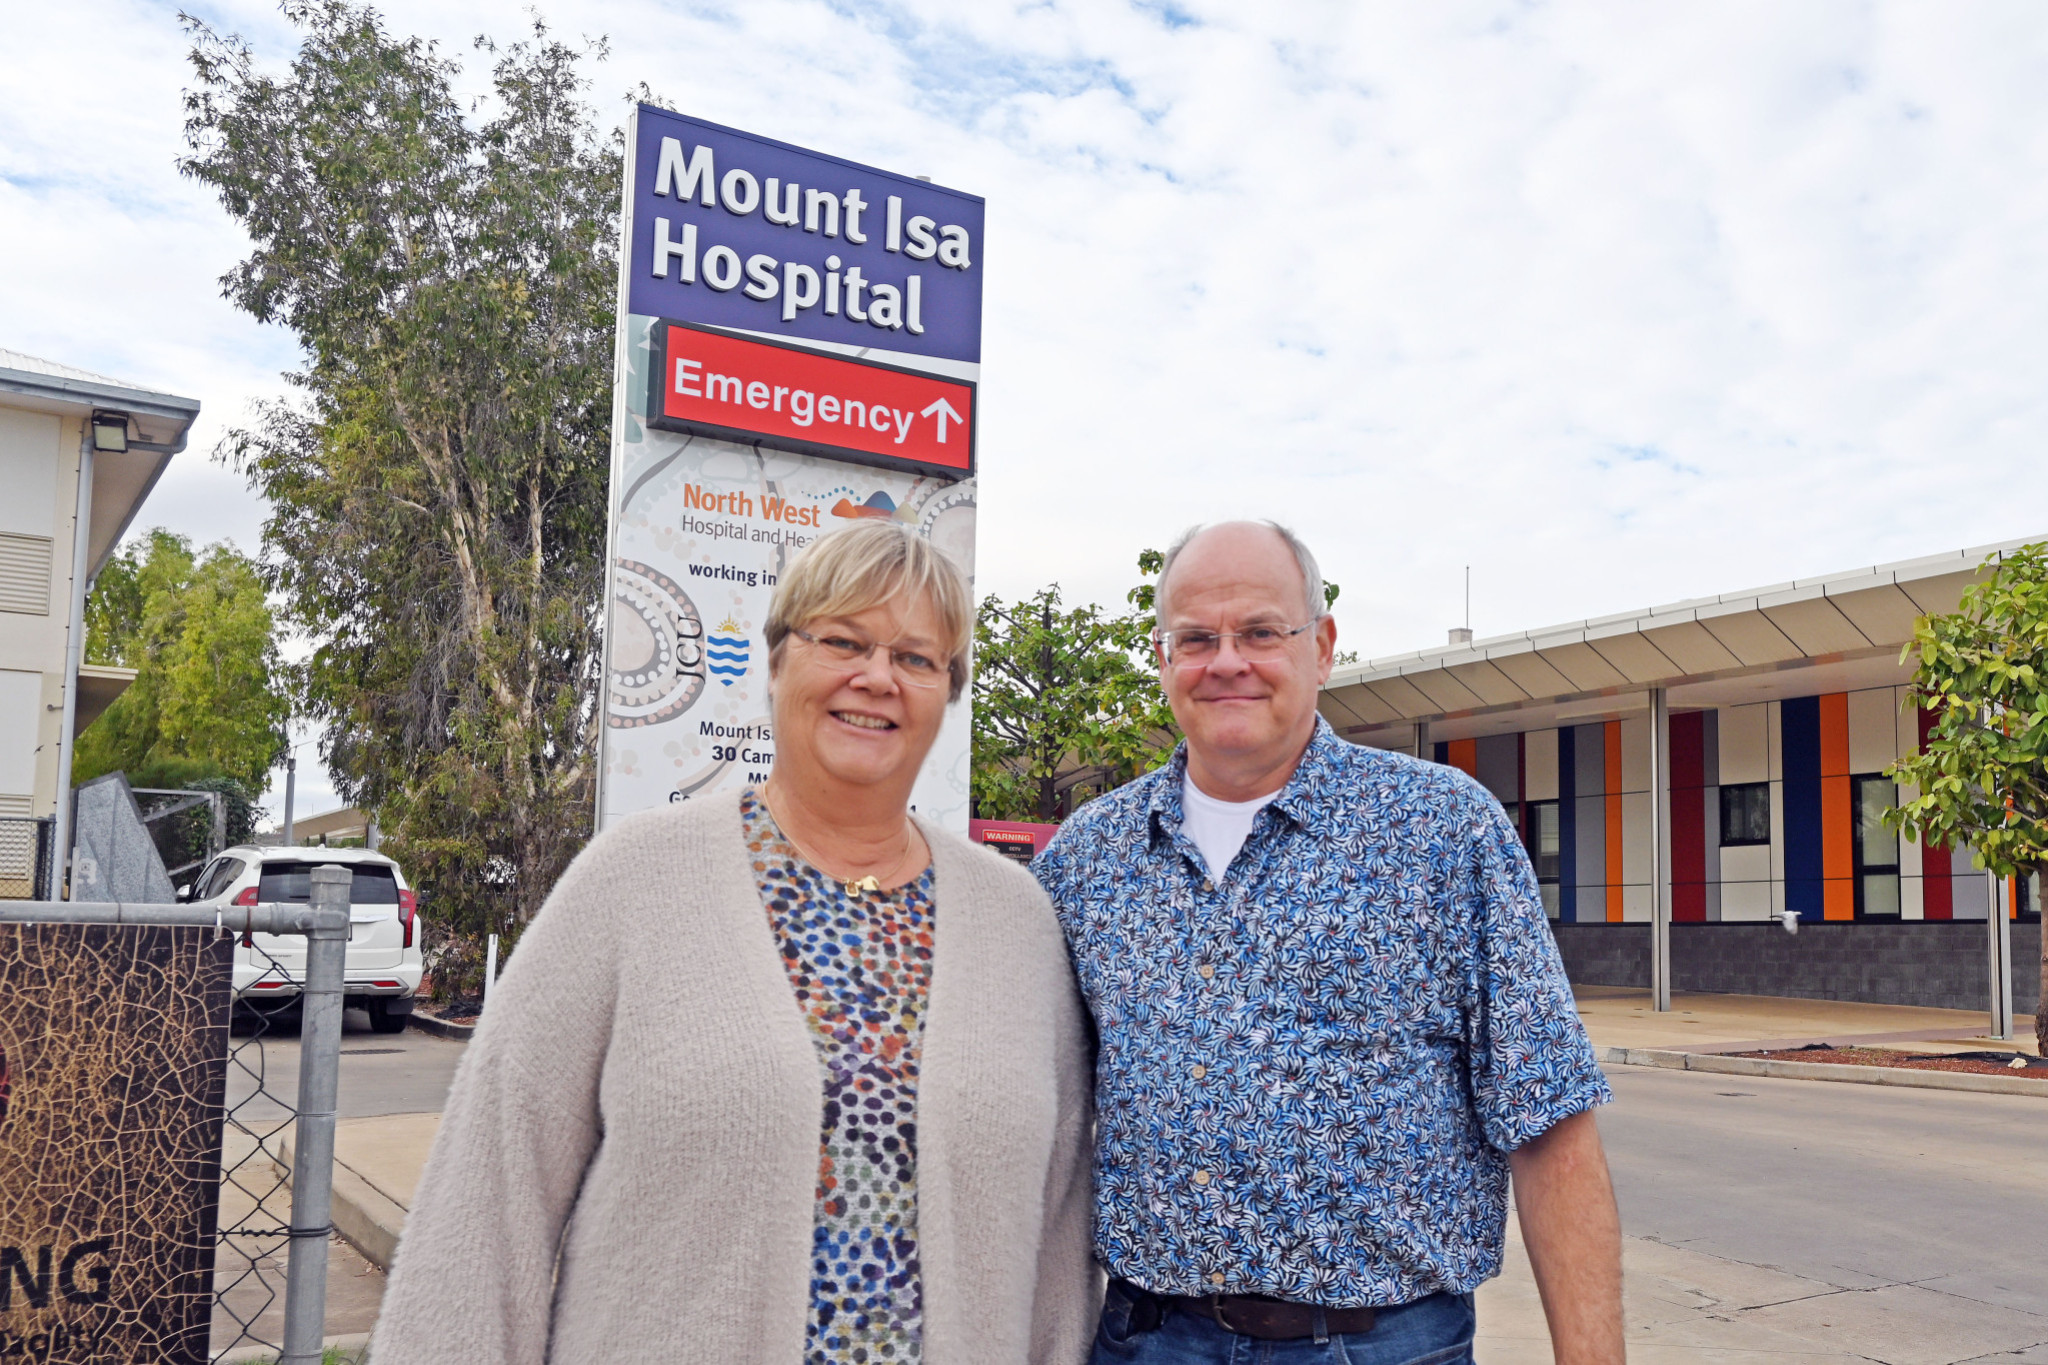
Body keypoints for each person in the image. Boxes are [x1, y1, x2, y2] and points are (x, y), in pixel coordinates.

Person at [373, 519, 1098, 1365]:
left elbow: (1057, 1239)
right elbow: (490, 1198)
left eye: (915, 658)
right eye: (844, 640)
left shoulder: (1018, 923)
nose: (877, 677)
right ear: (778, 658)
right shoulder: (632, 882)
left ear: (947, 689)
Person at [1033, 520, 1623, 1365]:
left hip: (1382, 1345)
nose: (1227, 660)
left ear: (1324, 646)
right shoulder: (1089, 858)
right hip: (1148, 1340)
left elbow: (1549, 1124)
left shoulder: (1443, 832)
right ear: (1164, 657)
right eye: (1197, 637)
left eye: (1261, 632)